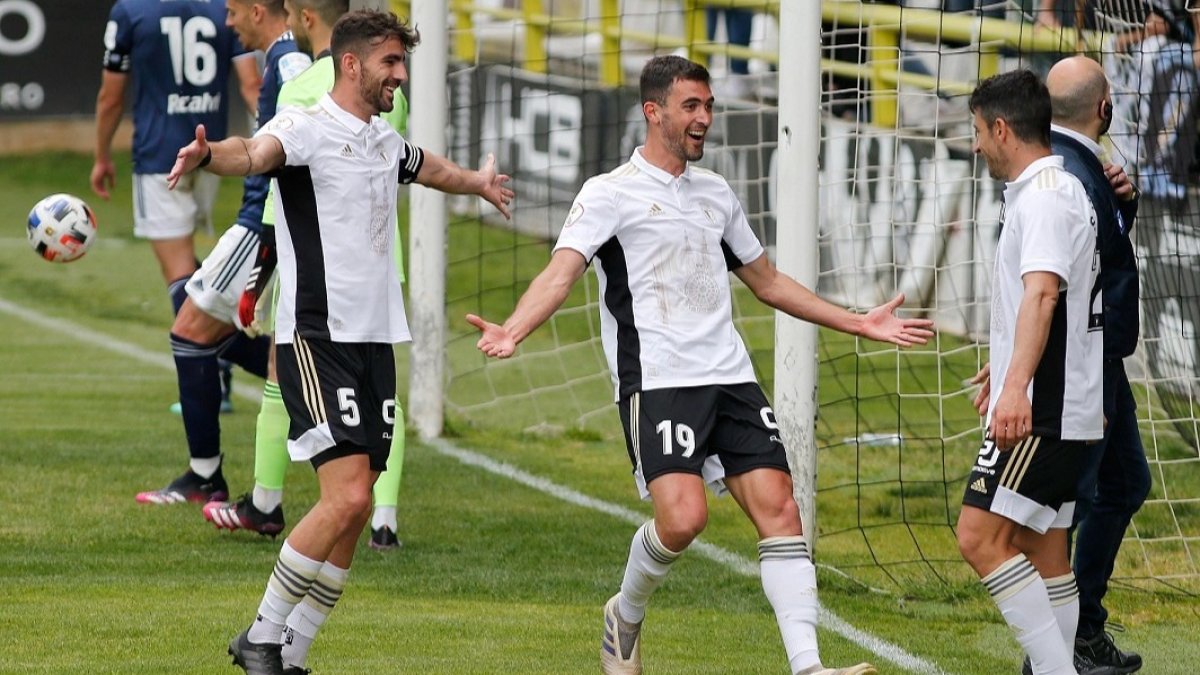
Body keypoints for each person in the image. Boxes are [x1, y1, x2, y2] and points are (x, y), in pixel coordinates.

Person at [466, 55, 933, 675]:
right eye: (691, 106)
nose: (705, 119)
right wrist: (515, 330)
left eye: (709, 106)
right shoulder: (608, 195)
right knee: (684, 520)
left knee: (782, 510)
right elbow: (560, 274)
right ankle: (624, 615)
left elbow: (765, 282)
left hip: (731, 376)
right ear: (653, 112)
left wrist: (857, 320)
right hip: (658, 382)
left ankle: (809, 666)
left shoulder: (716, 193)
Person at [167, 10, 513, 673]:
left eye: (402, 64)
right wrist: (212, 155)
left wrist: (474, 182)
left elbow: (421, 164)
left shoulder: (383, 138)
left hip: (374, 340)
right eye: (390, 63)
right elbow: (255, 153)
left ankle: (292, 652)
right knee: (348, 497)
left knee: (354, 509)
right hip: (316, 336)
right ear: (351, 63)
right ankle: (262, 634)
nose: (400, 75)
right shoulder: (304, 128)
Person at [203, 0, 412, 550]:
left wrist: (261, 269)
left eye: (295, 13)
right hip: (383, 262)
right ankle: (384, 517)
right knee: (382, 393)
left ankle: (265, 500)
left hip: (319, 270)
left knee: (282, 366)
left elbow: (274, 178)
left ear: (309, 18)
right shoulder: (393, 90)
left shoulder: (302, 91)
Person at [135, 0, 311, 507]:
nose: (227, 22)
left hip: (261, 222)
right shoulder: (278, 59)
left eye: (234, 12)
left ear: (259, 11)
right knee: (208, 332)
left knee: (190, 331)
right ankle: (314, 378)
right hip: (261, 219)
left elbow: (298, 145)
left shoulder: (290, 63)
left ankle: (205, 476)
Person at [957, 69, 1103, 675]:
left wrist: (1016, 386)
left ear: (1000, 128)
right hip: (1071, 405)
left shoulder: (1044, 196)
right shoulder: (1055, 189)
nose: (975, 146)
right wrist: (1007, 364)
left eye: (977, 132)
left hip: (1045, 410)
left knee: (978, 537)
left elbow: (1043, 295)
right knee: (1046, 551)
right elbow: (1044, 304)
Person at [1045, 55, 1149, 674]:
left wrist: (1125, 210)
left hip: (1099, 362)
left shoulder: (1085, 167)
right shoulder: (1070, 173)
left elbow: (1100, 259)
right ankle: (1053, 646)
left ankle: (1082, 629)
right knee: (1064, 507)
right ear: (1104, 107)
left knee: (1125, 484)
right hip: (1084, 368)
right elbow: (1059, 285)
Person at [92, 0, 259, 302]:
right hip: (211, 153)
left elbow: (110, 99)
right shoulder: (225, 8)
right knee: (191, 273)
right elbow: (251, 86)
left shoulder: (131, 10)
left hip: (160, 156)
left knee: (179, 273)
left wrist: (102, 156)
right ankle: (230, 345)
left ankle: (213, 348)